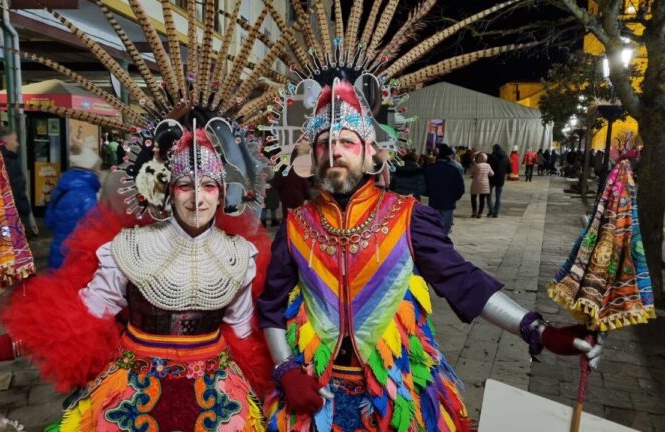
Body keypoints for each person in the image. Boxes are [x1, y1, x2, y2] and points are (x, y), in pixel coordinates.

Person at [258, 81, 603, 432]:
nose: (334, 152)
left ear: (369, 152)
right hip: (315, 394)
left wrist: (538, 330)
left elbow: (463, 281)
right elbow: (271, 306)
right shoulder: (296, 225)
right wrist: (286, 371)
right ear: (313, 156)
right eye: (324, 144)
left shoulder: (407, 217)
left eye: (347, 142)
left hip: (397, 398)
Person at [0, 129, 272, 430]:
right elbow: (87, 315)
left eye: (208, 186)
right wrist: (7, 346)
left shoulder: (240, 256)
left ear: (221, 194)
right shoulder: (128, 247)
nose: (197, 199)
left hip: (216, 394)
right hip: (133, 391)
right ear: (167, 190)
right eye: (185, 185)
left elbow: (243, 333)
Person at [44, 145, 102, 268]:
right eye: (98, 167)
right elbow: (95, 229)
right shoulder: (87, 195)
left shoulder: (61, 189)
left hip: (57, 255)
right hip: (75, 260)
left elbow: (48, 222)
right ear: (91, 169)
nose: (100, 171)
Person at [424, 143, 464, 233]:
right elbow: (460, 188)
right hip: (448, 201)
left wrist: (429, 193)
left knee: (434, 226)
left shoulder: (430, 169)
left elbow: (424, 185)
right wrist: (455, 197)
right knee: (445, 228)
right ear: (449, 156)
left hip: (434, 201)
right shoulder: (454, 169)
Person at [0, 127, 32, 230]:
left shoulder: (7, 158)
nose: (17, 144)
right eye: (15, 140)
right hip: (11, 216)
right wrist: (23, 211)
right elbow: (16, 190)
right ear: (6, 140)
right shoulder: (6, 161)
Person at [487, 144, 511, 218]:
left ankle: (491, 210)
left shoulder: (491, 156)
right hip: (500, 179)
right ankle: (496, 212)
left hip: (491, 178)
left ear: (494, 149)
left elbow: (487, 167)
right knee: (498, 196)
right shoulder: (506, 157)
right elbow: (509, 170)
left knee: (488, 195)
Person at [470, 151, 494, 218]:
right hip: (485, 184)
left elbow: (471, 172)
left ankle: (474, 212)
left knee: (473, 198)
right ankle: (480, 213)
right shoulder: (488, 165)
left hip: (475, 183)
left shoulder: (476, 165)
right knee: (482, 199)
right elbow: (492, 174)